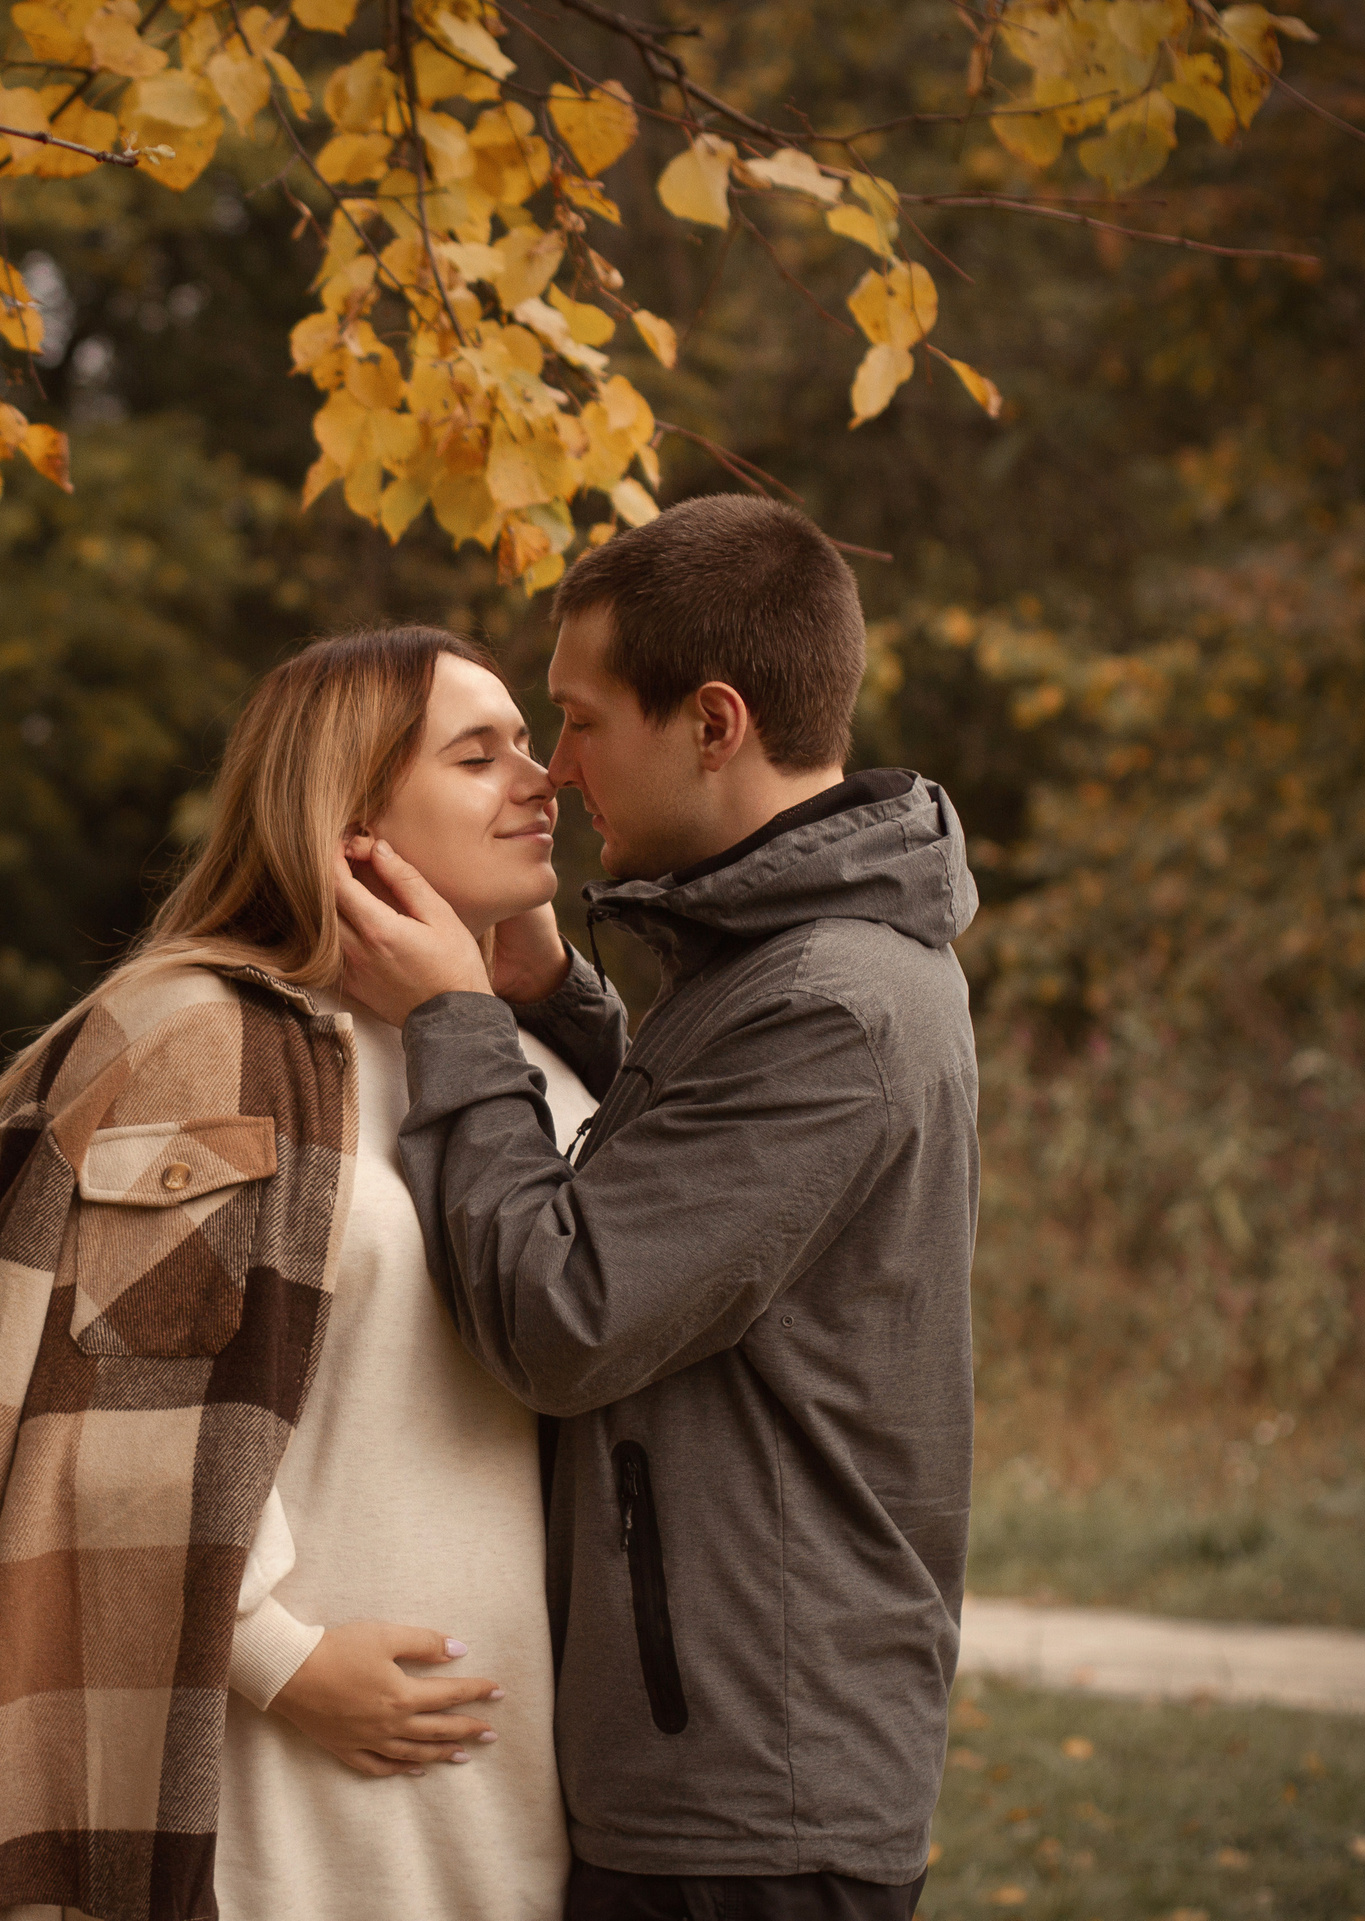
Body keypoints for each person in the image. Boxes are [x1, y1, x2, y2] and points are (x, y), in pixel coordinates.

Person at [0, 627, 595, 1921]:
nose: (540, 777)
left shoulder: (530, 1068)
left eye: (532, 743)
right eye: (479, 751)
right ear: (349, 805)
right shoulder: (203, 1033)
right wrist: (280, 1660)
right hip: (289, 1763)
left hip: (527, 1774)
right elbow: (102, 1413)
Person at [337, 496, 980, 1921]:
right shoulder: (790, 959)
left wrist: (451, 1018)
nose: (556, 771)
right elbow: (700, 1185)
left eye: (578, 720)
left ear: (714, 721)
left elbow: (568, 1314)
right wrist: (552, 1001)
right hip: (723, 1762)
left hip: (752, 1797)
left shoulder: (827, 1002)